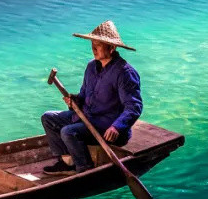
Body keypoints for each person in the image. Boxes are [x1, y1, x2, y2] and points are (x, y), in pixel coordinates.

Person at [41, 21, 143, 174]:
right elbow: (83, 95)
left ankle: (84, 168)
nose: (93, 49)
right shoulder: (91, 67)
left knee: (68, 132)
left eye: (98, 45)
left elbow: (134, 107)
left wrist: (117, 127)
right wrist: (74, 101)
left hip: (108, 127)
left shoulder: (125, 73)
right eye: (92, 44)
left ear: (112, 47)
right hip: (86, 118)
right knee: (48, 118)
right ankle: (67, 161)